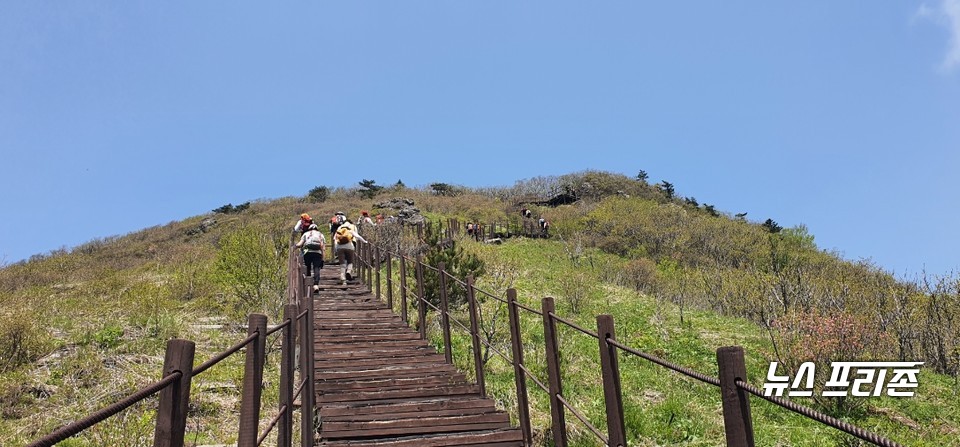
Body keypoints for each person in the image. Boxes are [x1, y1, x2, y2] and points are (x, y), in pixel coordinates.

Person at [295, 224, 326, 290]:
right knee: (316, 268)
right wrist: (323, 259)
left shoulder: (306, 234)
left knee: (307, 267)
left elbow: (300, 244)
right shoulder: (321, 235)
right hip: (318, 253)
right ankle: (316, 285)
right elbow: (323, 248)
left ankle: (308, 284)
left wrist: (295, 246)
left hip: (307, 252)